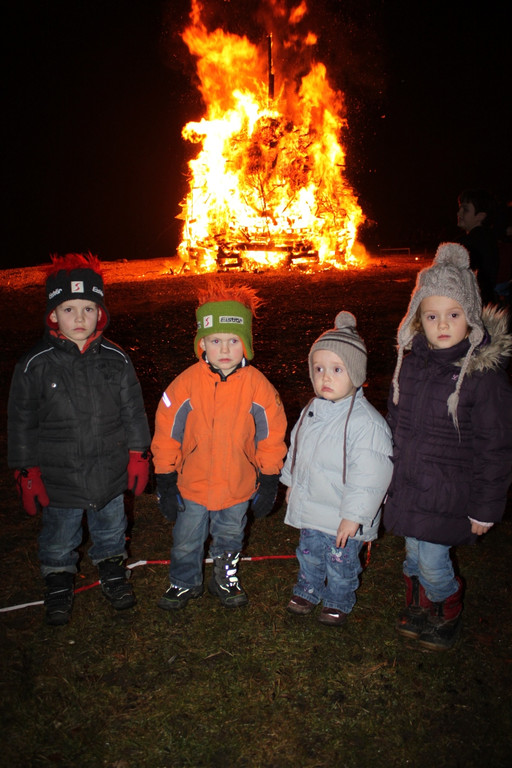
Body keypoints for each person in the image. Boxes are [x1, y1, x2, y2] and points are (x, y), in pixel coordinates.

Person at [7, 253, 151, 626]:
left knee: (112, 528)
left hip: (109, 472)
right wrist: (26, 470)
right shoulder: (34, 364)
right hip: (60, 478)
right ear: (53, 315)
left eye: (88, 308)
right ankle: (58, 581)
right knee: (60, 535)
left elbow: (133, 410)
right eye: (69, 309)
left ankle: (113, 570)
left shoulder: (116, 359)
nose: (80, 318)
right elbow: (21, 421)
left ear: (100, 312)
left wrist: (138, 453)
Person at [384, 242, 512, 651]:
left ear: (470, 317)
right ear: (417, 318)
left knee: (433, 561)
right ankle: (420, 604)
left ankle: (448, 606)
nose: (442, 324)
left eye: (453, 315)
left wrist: (486, 507)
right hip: (409, 487)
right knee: (412, 554)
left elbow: (495, 448)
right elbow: (395, 423)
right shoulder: (410, 366)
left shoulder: (482, 378)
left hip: (448, 494)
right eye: (432, 315)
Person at [151, 282, 287, 610]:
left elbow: (271, 435)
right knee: (186, 539)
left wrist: (269, 478)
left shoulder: (259, 387)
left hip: (237, 485)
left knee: (230, 536)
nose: (224, 349)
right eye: (215, 341)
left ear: (246, 345)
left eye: (233, 341)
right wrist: (165, 477)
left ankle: (224, 578)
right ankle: (184, 581)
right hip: (193, 485)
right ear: (202, 344)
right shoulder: (185, 384)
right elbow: (167, 431)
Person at [280, 312, 393, 626]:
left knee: (340, 562)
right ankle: (308, 589)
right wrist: (291, 482)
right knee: (309, 554)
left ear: (356, 374)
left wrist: (354, 516)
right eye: (319, 369)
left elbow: (371, 477)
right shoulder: (311, 410)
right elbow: (298, 448)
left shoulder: (366, 423)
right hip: (313, 508)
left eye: (336, 369)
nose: (325, 378)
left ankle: (338, 599)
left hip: (343, 517)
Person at [457, 188, 500, 305]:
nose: (459, 213)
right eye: (459, 208)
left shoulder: (467, 243)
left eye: (465, 209)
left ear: (480, 216)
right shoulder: (491, 239)